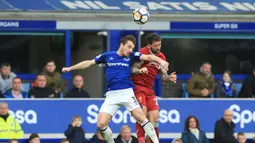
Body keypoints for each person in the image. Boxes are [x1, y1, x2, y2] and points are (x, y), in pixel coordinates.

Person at [62, 35, 169, 143]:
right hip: (111, 95)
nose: (131, 50)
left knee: (142, 119)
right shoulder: (108, 56)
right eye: (129, 47)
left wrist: (161, 61)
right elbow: (88, 63)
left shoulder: (132, 56)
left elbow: (149, 57)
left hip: (127, 93)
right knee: (101, 124)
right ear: (121, 45)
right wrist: (70, 68)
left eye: (132, 47)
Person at [131, 33, 177, 143]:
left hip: (149, 89)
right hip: (138, 87)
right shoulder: (142, 52)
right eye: (156, 45)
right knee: (142, 114)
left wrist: (168, 77)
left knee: (155, 118)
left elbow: (163, 76)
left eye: (159, 45)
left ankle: (154, 141)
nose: (158, 47)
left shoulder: (161, 57)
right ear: (149, 45)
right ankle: (141, 140)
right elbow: (132, 69)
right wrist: (140, 70)